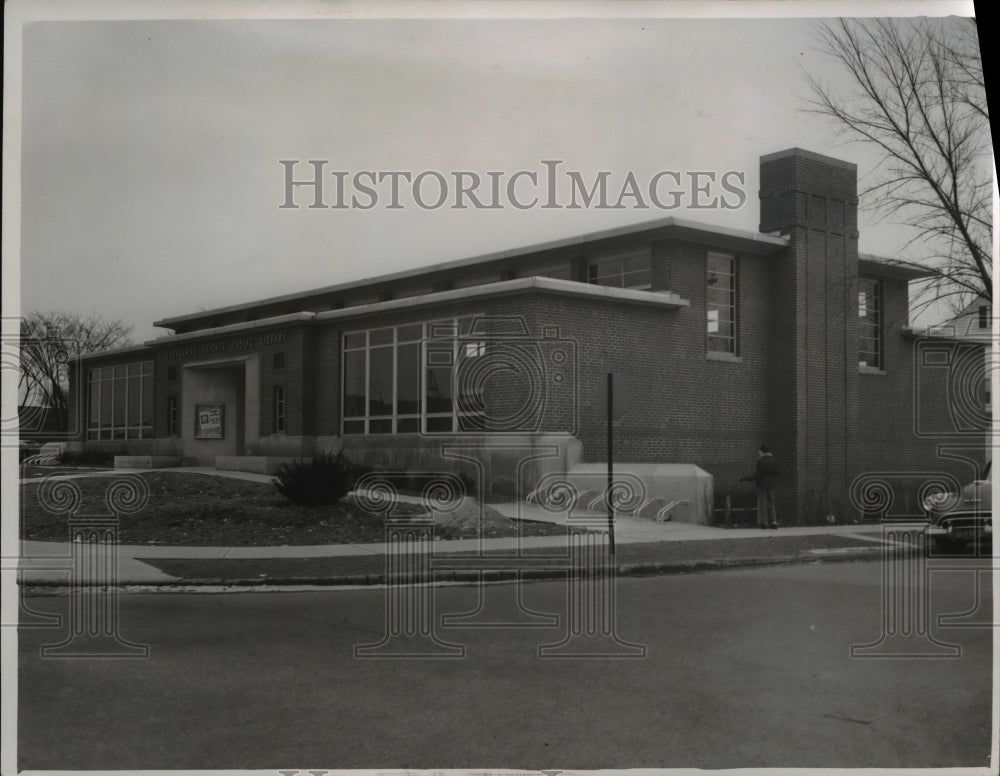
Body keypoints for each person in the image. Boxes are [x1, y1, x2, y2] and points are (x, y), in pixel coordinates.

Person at [741, 445, 779, 529]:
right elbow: (777, 473)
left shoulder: (761, 461)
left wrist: (745, 479)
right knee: (771, 503)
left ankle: (764, 523)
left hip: (762, 485)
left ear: (762, 451)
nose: (758, 453)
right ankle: (774, 522)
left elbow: (757, 475)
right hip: (772, 485)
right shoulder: (774, 460)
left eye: (759, 451)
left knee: (762, 504)